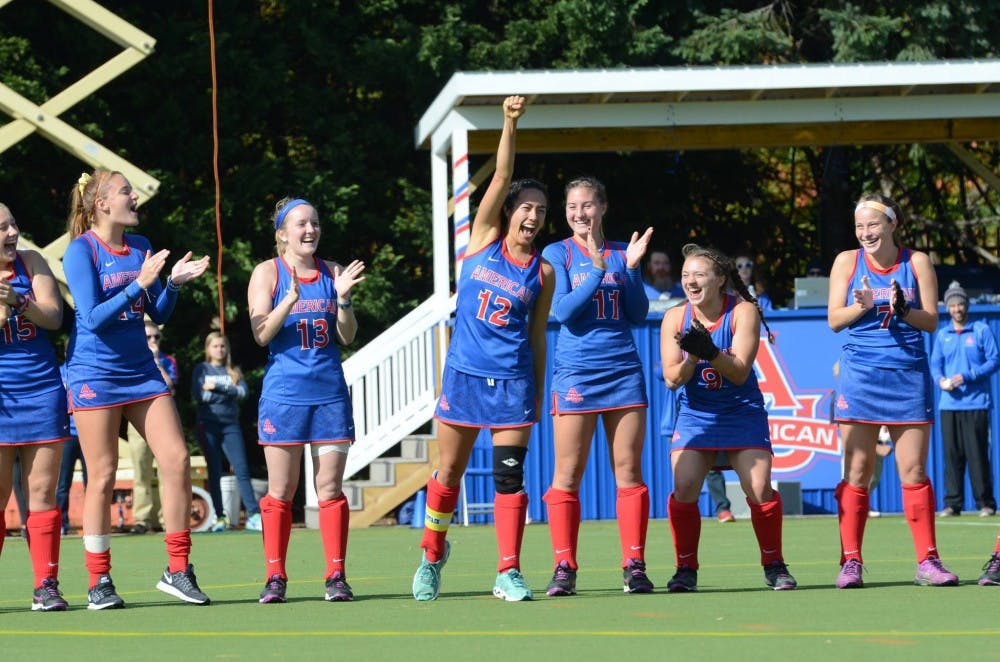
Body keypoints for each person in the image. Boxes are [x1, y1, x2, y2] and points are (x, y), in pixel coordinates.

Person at [410, 95, 554, 602]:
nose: (533, 215)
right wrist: (509, 123)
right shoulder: (481, 242)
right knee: (448, 474)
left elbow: (537, 335)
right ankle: (432, 555)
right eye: (526, 207)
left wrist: (539, 388)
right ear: (509, 212)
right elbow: (500, 176)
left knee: (509, 478)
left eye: (541, 209)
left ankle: (508, 571)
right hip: (464, 376)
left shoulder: (544, 272)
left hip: (513, 382)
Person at [63, 168, 212, 608]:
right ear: (102, 204)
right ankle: (99, 581)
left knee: (177, 457)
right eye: (127, 191)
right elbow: (90, 318)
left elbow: (158, 314)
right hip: (95, 373)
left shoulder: (141, 247)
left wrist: (171, 285)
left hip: (140, 372)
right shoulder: (80, 250)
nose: (135, 197)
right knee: (103, 474)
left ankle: (178, 570)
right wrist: (139, 284)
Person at [827, 192, 957, 589]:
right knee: (858, 471)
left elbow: (932, 321)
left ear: (892, 224)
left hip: (907, 376)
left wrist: (904, 311)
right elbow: (835, 320)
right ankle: (850, 561)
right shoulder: (846, 262)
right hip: (860, 376)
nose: (866, 232)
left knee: (914, 470)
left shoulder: (916, 262)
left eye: (873, 224)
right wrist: (863, 305)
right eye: (859, 226)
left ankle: (928, 562)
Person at [248, 197, 366, 603]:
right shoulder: (267, 273)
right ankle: (275, 577)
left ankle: (336, 576)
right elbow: (261, 333)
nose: (310, 230)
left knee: (329, 488)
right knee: (282, 490)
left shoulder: (333, 272)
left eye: (315, 222)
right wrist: (288, 301)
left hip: (329, 395)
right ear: (282, 233)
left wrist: (344, 299)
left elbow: (347, 335)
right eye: (300, 224)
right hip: (284, 397)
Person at [540, 176, 654, 596]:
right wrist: (599, 271)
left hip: (623, 371)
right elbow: (564, 311)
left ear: (603, 207)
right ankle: (564, 567)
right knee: (567, 474)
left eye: (587, 205)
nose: (579, 214)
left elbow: (639, 314)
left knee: (628, 471)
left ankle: (634, 566)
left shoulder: (625, 251)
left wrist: (633, 269)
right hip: (576, 374)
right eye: (572, 207)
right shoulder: (558, 252)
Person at [661, 243, 796, 592]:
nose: (691, 281)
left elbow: (738, 372)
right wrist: (693, 357)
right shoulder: (674, 317)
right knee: (684, 486)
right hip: (697, 415)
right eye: (686, 275)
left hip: (741, 412)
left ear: (720, 279)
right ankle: (685, 570)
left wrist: (709, 350)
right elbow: (672, 379)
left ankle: (774, 564)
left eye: (700, 275)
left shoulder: (743, 311)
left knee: (759, 488)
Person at [0, 202, 71, 610]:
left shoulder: (33, 262)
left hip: (41, 390)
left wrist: (19, 301)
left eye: (14, 223)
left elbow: (54, 316)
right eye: (3, 227)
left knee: (42, 492)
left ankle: (46, 586)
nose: (13, 232)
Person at [931, 281, 999, 518]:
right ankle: (953, 503)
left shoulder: (981, 330)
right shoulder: (942, 335)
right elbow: (935, 365)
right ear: (948, 308)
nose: (957, 309)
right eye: (953, 305)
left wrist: (968, 376)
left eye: (960, 304)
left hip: (976, 403)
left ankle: (985, 503)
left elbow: (994, 360)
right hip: (949, 405)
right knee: (952, 456)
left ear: (966, 306)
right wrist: (941, 381)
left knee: (977, 454)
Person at [192, 332, 261, 532]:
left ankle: (253, 515)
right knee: (214, 471)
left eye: (222, 346)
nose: (219, 350)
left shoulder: (234, 371)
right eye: (215, 346)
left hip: (231, 425)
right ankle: (220, 517)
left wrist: (217, 389)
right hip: (208, 424)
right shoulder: (202, 369)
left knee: (242, 470)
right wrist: (228, 390)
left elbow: (243, 393)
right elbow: (200, 396)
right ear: (208, 349)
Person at [125, 319, 176, 535]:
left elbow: (170, 385)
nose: (153, 340)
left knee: (168, 471)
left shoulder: (169, 361)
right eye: (148, 337)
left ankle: (168, 519)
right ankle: (143, 520)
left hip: (163, 421)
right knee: (141, 472)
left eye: (156, 337)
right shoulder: (129, 358)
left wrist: (156, 361)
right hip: (136, 423)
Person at [57, 363, 88, 535]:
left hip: (87, 434)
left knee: (91, 482)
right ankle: (62, 523)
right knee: (63, 483)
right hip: (68, 435)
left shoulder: (87, 368)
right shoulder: (58, 371)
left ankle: (92, 524)